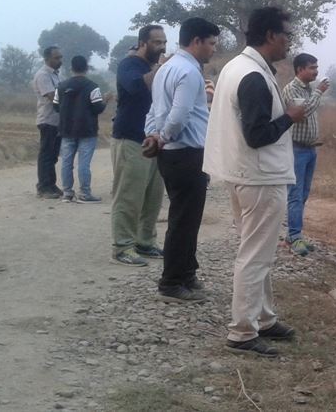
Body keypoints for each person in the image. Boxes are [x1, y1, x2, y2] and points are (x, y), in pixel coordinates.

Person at [204, 7, 306, 357]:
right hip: (260, 177)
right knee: (255, 256)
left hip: (244, 173)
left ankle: (263, 318)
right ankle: (242, 332)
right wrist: (290, 117)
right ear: (271, 35)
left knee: (257, 252)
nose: (289, 42)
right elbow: (257, 135)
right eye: (287, 35)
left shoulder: (238, 67)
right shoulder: (252, 76)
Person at [143, 17, 219, 303]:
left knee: (187, 218)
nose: (213, 49)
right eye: (211, 43)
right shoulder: (188, 71)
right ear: (196, 41)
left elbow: (154, 109)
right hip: (186, 153)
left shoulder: (166, 68)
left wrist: (153, 135)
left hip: (173, 152)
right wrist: (162, 136)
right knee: (184, 220)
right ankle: (172, 283)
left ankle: (187, 274)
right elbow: (179, 114)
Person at [109, 25, 168, 267]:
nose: (162, 47)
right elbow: (136, 86)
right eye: (156, 42)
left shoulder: (152, 67)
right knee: (129, 196)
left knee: (153, 197)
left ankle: (145, 241)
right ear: (143, 43)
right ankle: (122, 246)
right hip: (130, 139)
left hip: (154, 141)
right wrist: (161, 68)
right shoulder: (129, 65)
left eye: (164, 42)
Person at [279, 53, 329, 256]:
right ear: (300, 69)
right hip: (296, 149)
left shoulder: (308, 89)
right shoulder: (291, 89)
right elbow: (303, 112)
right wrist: (319, 92)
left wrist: (315, 92)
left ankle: (292, 236)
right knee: (295, 194)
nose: (316, 71)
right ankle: (295, 236)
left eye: (316, 67)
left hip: (310, 149)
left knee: (304, 194)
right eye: (312, 67)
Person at [53, 55, 107, 203]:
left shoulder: (61, 86)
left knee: (66, 162)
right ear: (86, 68)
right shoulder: (92, 86)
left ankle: (67, 193)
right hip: (87, 130)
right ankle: (84, 193)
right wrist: (106, 101)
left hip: (66, 129)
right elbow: (98, 108)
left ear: (71, 68)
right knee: (84, 163)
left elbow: (56, 107)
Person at [33, 46, 63, 199]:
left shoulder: (56, 75)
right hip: (47, 120)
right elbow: (52, 96)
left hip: (57, 121)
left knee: (53, 155)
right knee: (46, 155)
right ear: (47, 59)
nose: (60, 60)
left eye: (60, 57)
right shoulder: (43, 75)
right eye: (56, 58)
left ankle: (51, 184)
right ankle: (43, 187)